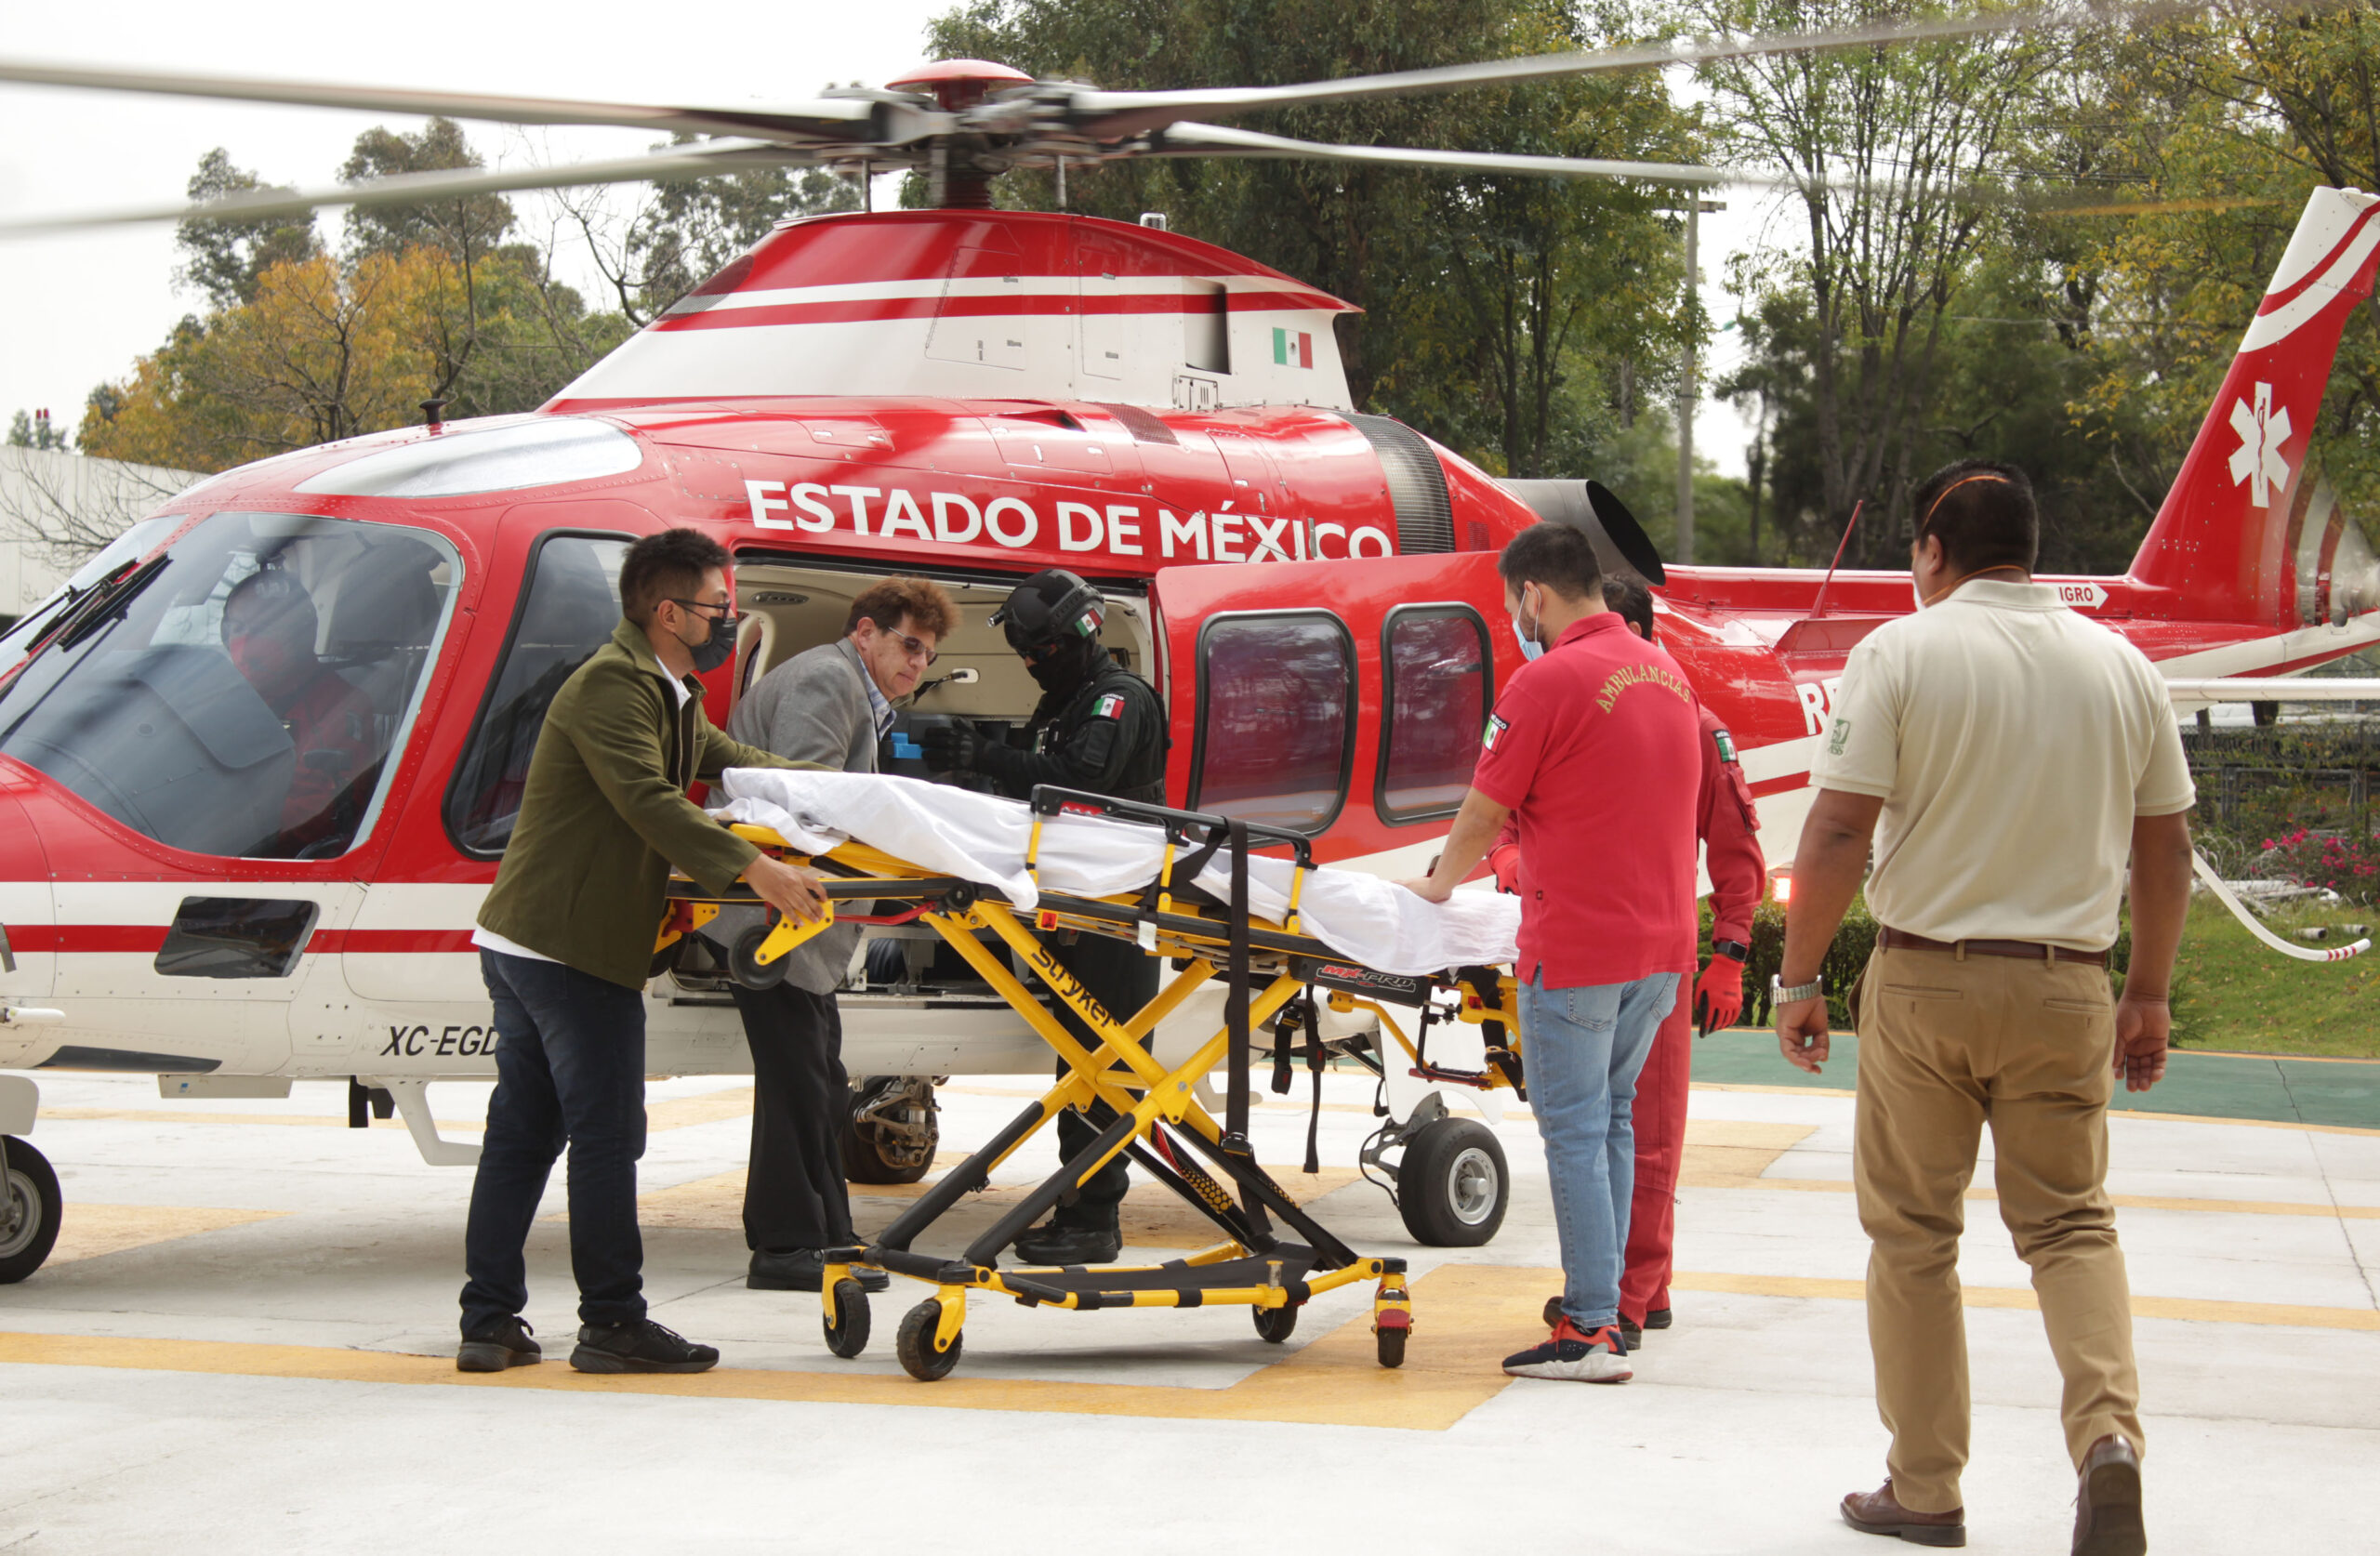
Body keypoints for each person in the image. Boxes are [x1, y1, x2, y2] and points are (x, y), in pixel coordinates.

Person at [1773, 461, 2191, 1554]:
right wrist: (2143, 992)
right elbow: (2166, 845)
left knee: (1913, 1234)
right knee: (2069, 1223)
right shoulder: (2120, 667)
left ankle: (1924, 1488)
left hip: (1925, 977)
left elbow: (1832, 832)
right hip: (2068, 981)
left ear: (1929, 550)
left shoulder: (1900, 653)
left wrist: (1800, 977)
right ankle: (2108, 1442)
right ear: (2031, 549)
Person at [456, 528, 830, 1377]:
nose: (726, 620)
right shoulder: (611, 688)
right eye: (715, 607)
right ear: (668, 612)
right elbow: (648, 799)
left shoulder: (668, 688)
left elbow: (728, 760)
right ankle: (614, 1321)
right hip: (566, 949)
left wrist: (829, 797)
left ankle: (489, 1323)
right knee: (604, 1136)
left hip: (534, 940)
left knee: (525, 1133)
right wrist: (756, 867)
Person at [1402, 523, 1702, 1384]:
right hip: (1662, 950)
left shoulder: (1546, 680)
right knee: (1608, 1120)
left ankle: (1588, 1328)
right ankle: (1608, 1308)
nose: (1515, 625)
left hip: (1578, 948)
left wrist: (1438, 883)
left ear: (1535, 594)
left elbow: (1484, 808)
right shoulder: (1667, 675)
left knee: (1572, 1130)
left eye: (1511, 609)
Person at [1497, 574, 1765, 1345]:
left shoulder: (1691, 722)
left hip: (1652, 952)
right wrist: (1513, 863)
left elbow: (1737, 848)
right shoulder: (1562, 702)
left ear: (1642, 635)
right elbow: (1503, 814)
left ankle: (1631, 1296)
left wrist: (1731, 954)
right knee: (1612, 1124)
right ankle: (1619, 1292)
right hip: (1597, 942)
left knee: (1642, 1132)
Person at [919, 568, 1166, 1265]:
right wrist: (974, 770)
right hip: (1078, 908)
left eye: (1037, 652)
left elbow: (1076, 779)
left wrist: (990, 753)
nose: (1029, 666)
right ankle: (1078, 1208)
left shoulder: (1119, 700)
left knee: (1102, 1066)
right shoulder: (1068, 699)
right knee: (1077, 1065)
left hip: (1120, 914)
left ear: (1072, 640)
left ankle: (1095, 1218)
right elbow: (1031, 775)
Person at [726, 575, 959, 1292]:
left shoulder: (852, 689)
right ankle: (785, 1246)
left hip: (792, 924)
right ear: (865, 633)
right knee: (801, 1084)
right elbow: (808, 800)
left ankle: (826, 1234)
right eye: (907, 645)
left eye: (927, 654)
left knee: (819, 1080)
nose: (917, 664)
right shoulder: (830, 679)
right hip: (776, 920)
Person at [220, 569, 377, 856]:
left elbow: (316, 817)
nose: (247, 642)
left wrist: (218, 834)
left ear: (300, 633)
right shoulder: (223, 699)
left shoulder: (339, 705)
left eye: (265, 627)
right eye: (238, 628)